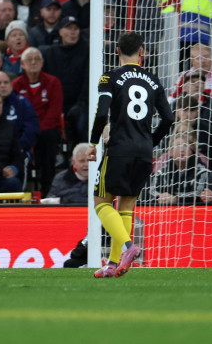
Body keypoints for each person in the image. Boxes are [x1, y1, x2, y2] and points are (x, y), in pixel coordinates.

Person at [88, 31, 175, 278]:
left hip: (119, 149)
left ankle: (128, 247)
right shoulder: (154, 80)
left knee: (102, 203)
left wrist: (93, 143)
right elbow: (168, 119)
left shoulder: (110, 78)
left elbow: (102, 112)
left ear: (117, 52)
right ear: (141, 53)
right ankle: (113, 264)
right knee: (126, 205)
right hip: (144, 153)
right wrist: (151, 142)